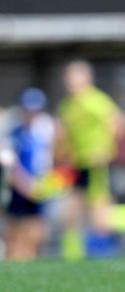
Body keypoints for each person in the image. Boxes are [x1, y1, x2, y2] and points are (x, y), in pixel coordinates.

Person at [56, 59, 125, 261]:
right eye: (68, 77)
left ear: (87, 79)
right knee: (71, 212)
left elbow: (120, 124)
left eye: (75, 77)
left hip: (96, 164)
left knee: (100, 213)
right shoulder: (67, 106)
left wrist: (106, 149)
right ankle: (72, 258)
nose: (71, 82)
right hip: (78, 165)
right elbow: (65, 137)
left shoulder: (96, 101)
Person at [3, 88, 57, 260]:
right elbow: (10, 163)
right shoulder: (13, 131)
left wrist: (46, 184)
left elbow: (52, 159)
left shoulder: (47, 128)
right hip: (19, 189)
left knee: (34, 234)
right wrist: (25, 185)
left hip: (38, 187)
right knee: (14, 233)